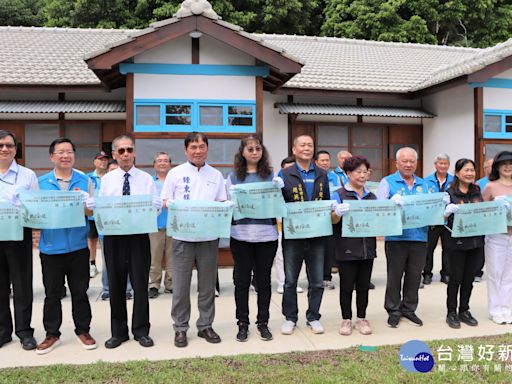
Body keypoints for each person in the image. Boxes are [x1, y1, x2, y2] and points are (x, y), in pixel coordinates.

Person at [161, 132, 227, 348]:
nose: (198, 151)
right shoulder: (175, 173)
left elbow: (221, 201)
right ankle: (180, 328)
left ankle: (205, 325)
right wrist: (173, 205)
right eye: (193, 147)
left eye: (201, 146)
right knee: (180, 286)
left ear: (207, 148)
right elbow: (165, 200)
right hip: (182, 236)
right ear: (186, 149)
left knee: (207, 285)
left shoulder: (216, 175)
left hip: (208, 237)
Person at [99, 134, 161, 349]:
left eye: (130, 150)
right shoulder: (107, 180)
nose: (126, 154)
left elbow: (156, 206)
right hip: (114, 237)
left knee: (140, 284)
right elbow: (102, 208)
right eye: (121, 151)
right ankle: (118, 332)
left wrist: (153, 206)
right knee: (116, 285)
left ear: (134, 152)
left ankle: (141, 330)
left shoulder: (145, 179)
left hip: (138, 237)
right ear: (115, 154)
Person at [36, 138, 96, 354]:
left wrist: (88, 206)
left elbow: (90, 213)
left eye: (69, 151)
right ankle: (52, 334)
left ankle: (83, 330)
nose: (65, 156)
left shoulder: (84, 180)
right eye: (60, 152)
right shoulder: (40, 183)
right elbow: (35, 215)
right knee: (52, 294)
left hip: (78, 247)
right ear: (52, 156)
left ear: (74, 155)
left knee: (80, 292)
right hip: (51, 248)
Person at [226, 134, 279, 342]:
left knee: (264, 281)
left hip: (267, 236)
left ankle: (263, 322)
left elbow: (279, 203)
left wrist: (279, 189)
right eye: (250, 149)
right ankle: (242, 323)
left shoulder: (272, 176)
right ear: (242, 152)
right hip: (241, 236)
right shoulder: (232, 177)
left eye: (258, 149)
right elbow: (226, 203)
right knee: (241, 281)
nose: (255, 152)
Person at [279, 135, 331, 335]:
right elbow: (279, 204)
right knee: (291, 280)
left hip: (317, 234)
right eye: (302, 145)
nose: (307, 148)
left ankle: (313, 316)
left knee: (317, 280)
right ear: (294, 149)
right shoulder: (284, 174)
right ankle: (290, 317)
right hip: (293, 235)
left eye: (310, 145)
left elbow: (326, 200)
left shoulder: (322, 174)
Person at [376, 147, 429, 328]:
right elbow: (379, 208)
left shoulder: (424, 184)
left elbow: (431, 210)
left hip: (419, 237)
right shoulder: (387, 182)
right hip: (396, 238)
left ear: (416, 163)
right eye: (404, 161)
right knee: (394, 275)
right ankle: (393, 310)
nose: (408, 164)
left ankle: (409, 308)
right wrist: (390, 204)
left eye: (411, 161)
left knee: (415, 276)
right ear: (396, 163)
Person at [0, 130, 38, 351]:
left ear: (16, 149)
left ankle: (24, 332)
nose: (5, 149)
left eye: (9, 145)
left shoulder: (27, 175)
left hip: (19, 234)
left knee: (22, 285)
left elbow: (36, 206)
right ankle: (3, 332)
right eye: (1, 145)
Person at [331, 155, 376, 336]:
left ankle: (362, 318)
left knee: (363, 286)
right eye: (358, 172)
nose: (362, 175)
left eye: (365, 172)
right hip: (346, 247)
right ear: (348, 173)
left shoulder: (372, 196)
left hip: (367, 248)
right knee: (347, 286)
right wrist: (337, 213)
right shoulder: (339, 194)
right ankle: (346, 319)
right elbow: (332, 221)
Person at [443, 158, 482, 329]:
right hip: (457, 243)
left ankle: (464, 310)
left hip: (476, 243)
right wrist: (446, 213)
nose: (469, 173)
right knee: (456, 278)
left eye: (472, 170)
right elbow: (440, 219)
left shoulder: (476, 192)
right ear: (457, 173)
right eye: (466, 170)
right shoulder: (449, 193)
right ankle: (451, 312)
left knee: (469, 279)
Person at [482, 151, 512, 324]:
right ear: (497, 167)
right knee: (495, 274)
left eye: (510, 163)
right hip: (496, 237)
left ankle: (507, 309)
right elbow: (482, 210)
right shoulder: (491, 187)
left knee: (509, 275)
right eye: (504, 164)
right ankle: (495, 310)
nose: (508, 167)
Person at [99, 159, 133, 301]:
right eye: (111, 170)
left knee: (130, 262)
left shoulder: (137, 181)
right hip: (110, 229)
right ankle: (108, 288)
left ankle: (127, 289)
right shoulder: (105, 183)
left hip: (131, 229)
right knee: (108, 263)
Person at [275, 156, 304, 295]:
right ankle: (281, 282)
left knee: (296, 255)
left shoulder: (300, 182)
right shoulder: (277, 182)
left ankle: (294, 281)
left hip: (297, 223)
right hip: (279, 223)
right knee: (280, 254)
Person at [423, 153, 454, 285]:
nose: (442, 166)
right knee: (429, 248)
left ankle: (446, 273)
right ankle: (427, 273)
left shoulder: (454, 180)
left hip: (449, 220)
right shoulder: (426, 180)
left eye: (445, 163)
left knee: (448, 248)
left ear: (448, 165)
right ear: (435, 165)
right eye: (440, 163)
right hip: (432, 220)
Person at [315, 150, 341, 290]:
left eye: (327, 160)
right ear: (316, 162)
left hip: (331, 217)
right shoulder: (313, 175)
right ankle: (315, 277)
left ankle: (326, 277)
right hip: (316, 217)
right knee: (314, 248)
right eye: (322, 160)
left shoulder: (335, 176)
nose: (325, 163)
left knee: (329, 248)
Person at [148, 152, 173, 299]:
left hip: (173, 224)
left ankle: (171, 284)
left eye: (165, 160)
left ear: (170, 164)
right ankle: (154, 285)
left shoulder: (174, 181)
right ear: (154, 164)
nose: (162, 163)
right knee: (154, 257)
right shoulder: (149, 182)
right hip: (154, 225)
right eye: (159, 161)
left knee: (173, 258)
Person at [87, 151, 109, 279]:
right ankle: (92, 264)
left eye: (105, 159)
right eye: (100, 159)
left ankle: (106, 265)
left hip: (106, 215)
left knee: (105, 241)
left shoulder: (110, 176)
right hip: (92, 215)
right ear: (94, 162)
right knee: (92, 240)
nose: (103, 162)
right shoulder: (88, 177)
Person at [475, 158, 493, 282]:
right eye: (490, 166)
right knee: (480, 247)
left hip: (499, 222)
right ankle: (477, 272)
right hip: (482, 220)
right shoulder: (478, 184)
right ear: (485, 168)